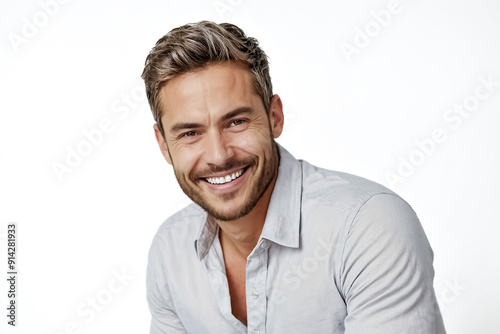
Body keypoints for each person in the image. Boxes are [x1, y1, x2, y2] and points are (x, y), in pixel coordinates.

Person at [141, 21, 446, 334]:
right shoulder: (170, 250)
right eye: (190, 133)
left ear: (275, 117)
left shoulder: (368, 226)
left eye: (236, 122)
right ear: (164, 145)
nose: (219, 156)